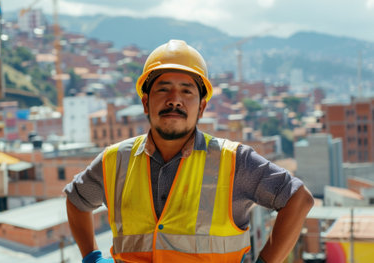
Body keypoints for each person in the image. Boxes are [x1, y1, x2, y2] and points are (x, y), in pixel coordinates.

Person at [64, 39, 314, 263]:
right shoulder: (115, 160)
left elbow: (298, 199)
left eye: (186, 90)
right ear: (145, 102)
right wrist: (92, 257)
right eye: (163, 89)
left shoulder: (234, 161)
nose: (175, 99)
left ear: (202, 107)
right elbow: (76, 200)